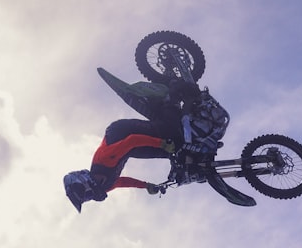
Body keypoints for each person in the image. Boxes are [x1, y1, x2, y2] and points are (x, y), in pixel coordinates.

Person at [63, 67, 229, 212]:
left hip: (121, 132)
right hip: (130, 149)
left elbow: (132, 140)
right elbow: (123, 182)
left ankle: (171, 96)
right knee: (174, 150)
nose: (88, 197)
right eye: (86, 198)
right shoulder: (106, 184)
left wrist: (162, 143)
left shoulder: (103, 160)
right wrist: (146, 185)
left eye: (84, 194)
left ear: (82, 181)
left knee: (168, 134)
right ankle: (185, 132)